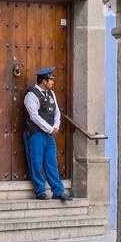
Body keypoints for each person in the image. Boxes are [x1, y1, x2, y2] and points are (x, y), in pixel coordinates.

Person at [23, 66, 70, 202]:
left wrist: (55, 126)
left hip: (49, 134)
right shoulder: (31, 96)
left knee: (51, 162)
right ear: (44, 81)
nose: (53, 82)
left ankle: (58, 191)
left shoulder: (51, 94)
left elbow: (57, 112)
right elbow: (34, 116)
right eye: (51, 79)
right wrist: (50, 129)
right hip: (36, 134)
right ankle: (40, 191)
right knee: (36, 163)